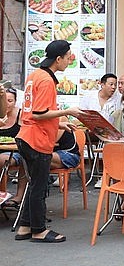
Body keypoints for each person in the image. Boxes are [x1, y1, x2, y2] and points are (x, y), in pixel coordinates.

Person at [14, 40, 83, 243]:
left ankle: (25, 226)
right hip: (37, 140)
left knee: (35, 183)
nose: (70, 59)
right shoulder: (46, 81)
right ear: (58, 59)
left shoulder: (35, 75)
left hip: (26, 135)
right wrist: (67, 112)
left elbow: (32, 112)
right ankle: (39, 230)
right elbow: (38, 113)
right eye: (68, 56)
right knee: (39, 186)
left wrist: (59, 125)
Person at [0, 83, 25, 207]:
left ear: (15, 102)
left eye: (10, 100)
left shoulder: (21, 115)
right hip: (2, 149)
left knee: (1, 160)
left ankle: (18, 196)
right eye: (4, 100)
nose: (7, 104)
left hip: (15, 151)